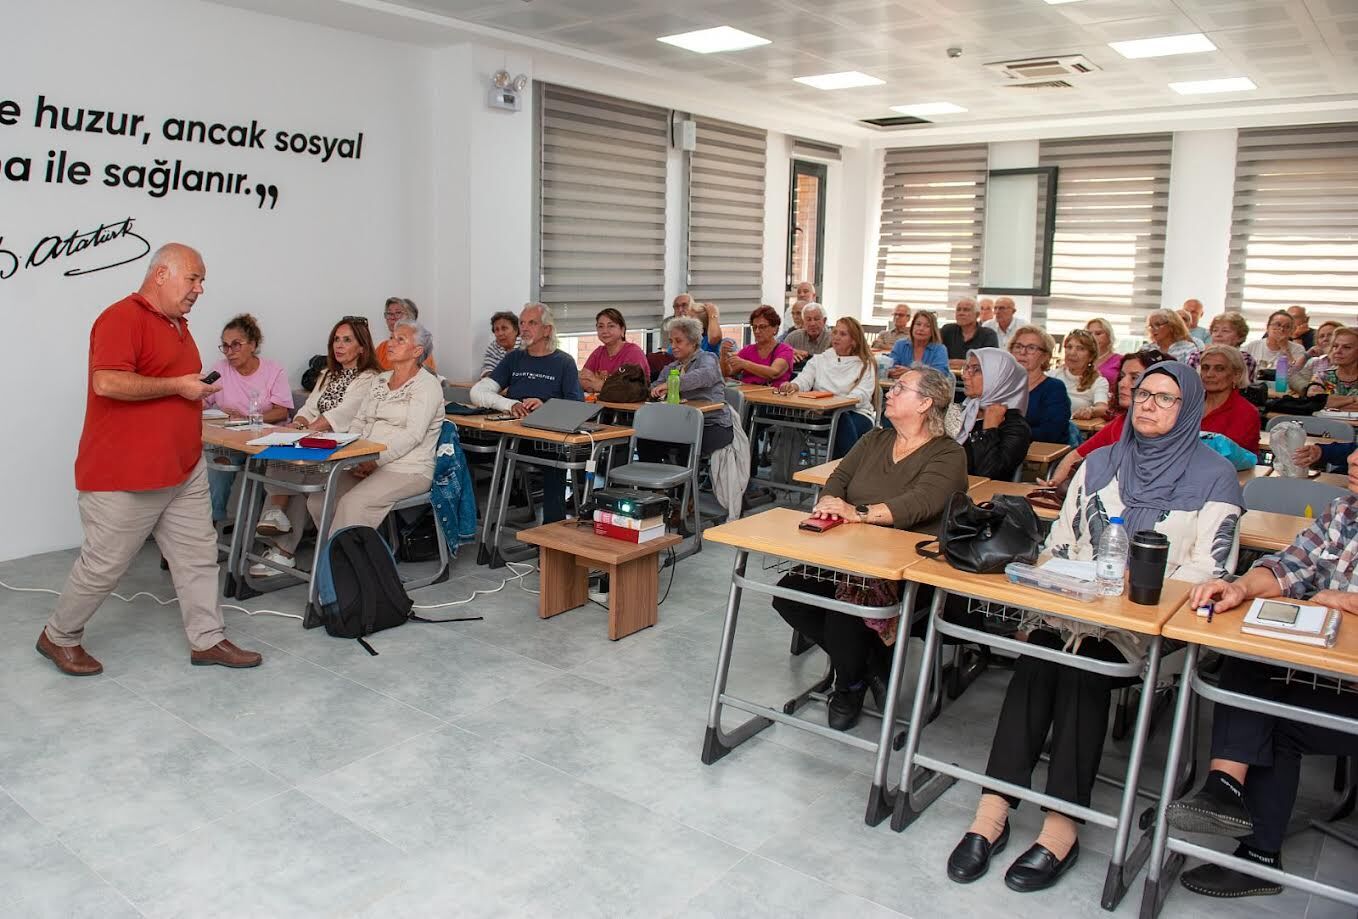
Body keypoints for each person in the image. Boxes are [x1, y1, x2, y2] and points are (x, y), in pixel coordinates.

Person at [948, 361, 1242, 893]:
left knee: (1081, 669)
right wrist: (1052, 593)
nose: (1148, 404)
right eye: (1143, 393)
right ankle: (992, 811)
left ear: (1189, 408)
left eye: (1165, 398)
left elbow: (1212, 570)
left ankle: (1062, 826)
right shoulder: (1101, 461)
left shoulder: (1213, 476)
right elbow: (1060, 542)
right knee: (1040, 657)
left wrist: (1132, 589)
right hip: (1072, 611)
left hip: (1148, 628)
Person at [36, 242, 262, 676]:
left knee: (198, 557)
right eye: (193, 278)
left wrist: (189, 388)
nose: (200, 289)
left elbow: (173, 383)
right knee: (104, 566)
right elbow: (107, 383)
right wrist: (178, 386)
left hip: (182, 468)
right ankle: (58, 636)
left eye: (202, 281)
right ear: (161, 274)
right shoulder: (121, 317)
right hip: (126, 474)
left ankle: (208, 639)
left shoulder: (179, 324)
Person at [1171, 447, 1358, 899]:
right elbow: (1289, 567)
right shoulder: (1345, 510)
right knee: (1249, 660)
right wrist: (1238, 587)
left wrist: (1344, 601)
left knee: (1268, 715)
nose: (1352, 459)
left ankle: (1239, 818)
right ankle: (1228, 798)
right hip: (1325, 674)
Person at [772, 366, 968, 730]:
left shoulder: (948, 454)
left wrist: (856, 513)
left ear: (926, 403)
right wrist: (831, 502)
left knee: (843, 611)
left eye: (900, 388)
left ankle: (848, 685)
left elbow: (920, 503)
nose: (889, 392)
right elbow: (838, 479)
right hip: (849, 553)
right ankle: (872, 664)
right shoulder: (874, 439)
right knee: (788, 596)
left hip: (905, 570)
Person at [251, 317, 384, 576]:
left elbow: (341, 415)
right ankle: (280, 539)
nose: (339, 345)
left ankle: (281, 540)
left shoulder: (370, 378)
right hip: (317, 446)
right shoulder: (327, 374)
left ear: (362, 347)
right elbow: (309, 408)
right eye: (336, 339)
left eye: (347, 340)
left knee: (293, 468)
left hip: (343, 452)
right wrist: (297, 423)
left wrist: (300, 430)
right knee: (286, 463)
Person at [306, 319, 443, 536]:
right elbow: (359, 421)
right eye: (391, 337)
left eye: (400, 339)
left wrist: (374, 460)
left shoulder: (427, 385)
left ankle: (343, 564)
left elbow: (413, 435)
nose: (391, 343)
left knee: (352, 504)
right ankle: (340, 553)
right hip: (367, 460)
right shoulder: (381, 380)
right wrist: (355, 457)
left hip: (408, 469)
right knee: (319, 500)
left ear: (417, 350)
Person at [470, 303, 584, 523]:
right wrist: (510, 404)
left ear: (547, 330)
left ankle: (552, 532)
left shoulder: (564, 362)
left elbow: (576, 405)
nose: (524, 328)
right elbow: (479, 391)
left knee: (555, 461)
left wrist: (545, 405)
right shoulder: (514, 358)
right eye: (522, 323)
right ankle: (471, 521)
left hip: (547, 440)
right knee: (462, 448)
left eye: (532, 323)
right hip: (513, 436)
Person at [202, 313, 295, 521]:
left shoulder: (273, 370)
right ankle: (212, 525)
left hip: (267, 441)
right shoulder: (220, 370)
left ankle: (259, 529)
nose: (229, 352)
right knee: (218, 466)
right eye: (225, 346)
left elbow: (282, 411)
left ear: (252, 344)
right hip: (235, 442)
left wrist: (246, 418)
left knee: (265, 472)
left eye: (236, 345)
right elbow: (202, 400)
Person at [1039, 349, 1167, 489]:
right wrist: (1053, 484)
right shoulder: (1121, 423)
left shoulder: (1169, 426)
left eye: (1134, 377)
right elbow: (1075, 455)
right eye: (1122, 376)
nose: (1122, 383)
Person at [778, 317, 876, 458]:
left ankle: (842, 470)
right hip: (820, 412)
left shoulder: (866, 364)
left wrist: (833, 406)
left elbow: (861, 395)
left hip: (856, 413)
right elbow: (804, 379)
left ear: (854, 341)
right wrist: (793, 385)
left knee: (842, 419)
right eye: (835, 332)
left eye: (843, 334)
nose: (836, 337)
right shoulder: (820, 359)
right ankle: (848, 470)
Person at [641, 316, 732, 461]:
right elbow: (655, 386)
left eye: (679, 341)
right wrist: (655, 391)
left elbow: (704, 375)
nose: (673, 346)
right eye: (671, 341)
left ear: (694, 341)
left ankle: (683, 482)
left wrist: (671, 384)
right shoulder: (672, 366)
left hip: (712, 425)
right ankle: (653, 482)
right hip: (681, 423)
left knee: (685, 444)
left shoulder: (708, 358)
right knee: (646, 440)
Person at [955, 348, 1032, 482]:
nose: (965, 375)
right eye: (966, 368)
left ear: (998, 377)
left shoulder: (1015, 427)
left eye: (976, 370)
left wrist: (989, 430)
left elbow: (987, 474)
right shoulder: (961, 410)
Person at [1008, 325, 1071, 444]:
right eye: (1018, 346)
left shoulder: (1054, 388)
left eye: (1031, 348)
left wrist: (1007, 434)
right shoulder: (1002, 385)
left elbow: (1051, 433)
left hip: (1040, 455)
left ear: (1045, 356)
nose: (1022, 352)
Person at [1197, 345, 1261, 455]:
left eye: (1219, 369)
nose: (1209, 374)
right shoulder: (1186, 405)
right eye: (1205, 367)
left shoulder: (1246, 413)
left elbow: (1233, 456)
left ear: (1236, 375)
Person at [721, 305, 795, 386]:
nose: (757, 331)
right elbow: (728, 373)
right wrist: (723, 355)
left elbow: (774, 373)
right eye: (754, 327)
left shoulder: (785, 350)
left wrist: (745, 364)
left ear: (775, 329)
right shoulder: (748, 350)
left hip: (773, 396)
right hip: (746, 396)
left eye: (762, 327)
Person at [578, 308, 647, 393]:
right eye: (601, 326)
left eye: (611, 326)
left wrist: (600, 384)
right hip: (599, 403)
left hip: (629, 405)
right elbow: (582, 380)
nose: (605, 331)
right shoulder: (598, 352)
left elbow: (628, 389)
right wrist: (606, 385)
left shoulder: (633, 352)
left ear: (622, 330)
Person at [1050, 329, 1109, 421]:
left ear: (1091, 357)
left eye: (1080, 348)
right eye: (1069, 347)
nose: (1072, 353)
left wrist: (1090, 411)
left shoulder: (1099, 382)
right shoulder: (1052, 375)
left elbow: (1103, 408)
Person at [1187, 311, 1257, 385]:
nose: (1218, 334)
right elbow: (1188, 385)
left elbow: (1242, 387)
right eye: (1215, 330)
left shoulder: (1245, 359)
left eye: (1225, 331)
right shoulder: (1196, 356)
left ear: (1239, 337)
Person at [1305, 325, 1358, 410]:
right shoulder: (1322, 376)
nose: (1338, 351)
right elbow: (1314, 401)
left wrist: (1334, 402)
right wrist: (1353, 399)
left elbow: (1323, 403)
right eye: (1335, 346)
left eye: (1347, 347)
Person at [377, 297, 436, 371]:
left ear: (410, 319)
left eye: (398, 313)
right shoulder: (382, 347)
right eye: (389, 313)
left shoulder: (420, 348)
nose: (392, 317)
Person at [887, 310, 951, 378]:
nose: (921, 329)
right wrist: (891, 372)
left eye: (927, 326)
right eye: (918, 324)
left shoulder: (939, 349)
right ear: (912, 326)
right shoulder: (900, 345)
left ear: (933, 330)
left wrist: (910, 373)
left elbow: (941, 374)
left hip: (928, 388)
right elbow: (890, 367)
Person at [1288, 318, 1342, 393]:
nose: (1325, 338)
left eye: (1330, 335)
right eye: (1321, 336)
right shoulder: (1315, 362)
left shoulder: (1349, 361)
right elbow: (1291, 374)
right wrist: (1306, 356)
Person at [1243, 310, 1305, 374]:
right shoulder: (1252, 346)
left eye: (1287, 327)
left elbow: (1297, 374)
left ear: (1291, 331)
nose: (1281, 329)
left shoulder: (1298, 349)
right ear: (1268, 327)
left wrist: (1285, 348)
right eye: (1278, 325)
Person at [479, 311, 520, 378]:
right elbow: (487, 369)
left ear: (516, 330)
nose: (500, 333)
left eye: (504, 328)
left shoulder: (526, 346)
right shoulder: (494, 347)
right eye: (496, 330)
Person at [1086, 318, 1122, 388]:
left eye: (1098, 333)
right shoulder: (1081, 360)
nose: (1093, 337)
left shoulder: (1120, 360)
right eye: (1089, 334)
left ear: (1109, 336)